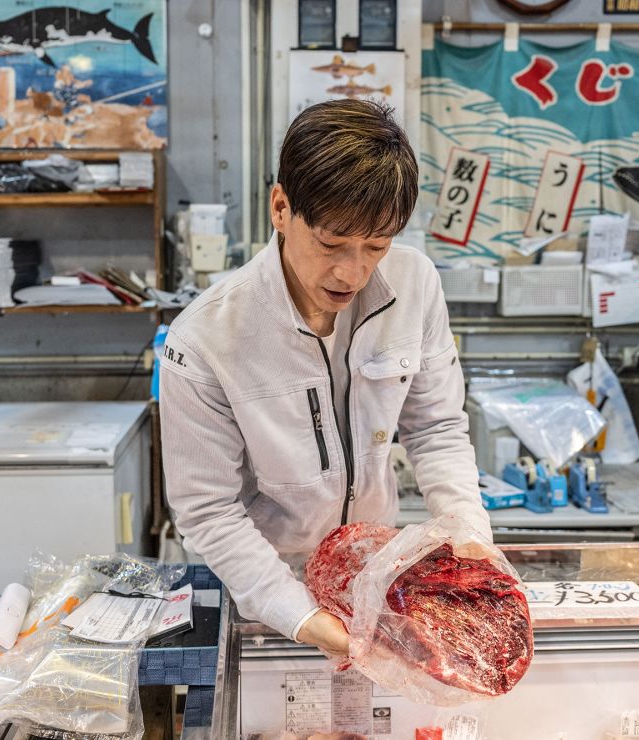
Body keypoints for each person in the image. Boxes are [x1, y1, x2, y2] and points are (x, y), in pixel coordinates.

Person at [160, 99, 490, 657]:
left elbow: (435, 428)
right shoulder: (205, 339)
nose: (353, 272)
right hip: (264, 591)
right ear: (281, 207)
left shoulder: (416, 285)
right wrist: (300, 615)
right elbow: (207, 510)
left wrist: (467, 532)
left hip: (376, 576)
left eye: (377, 247)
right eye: (332, 244)